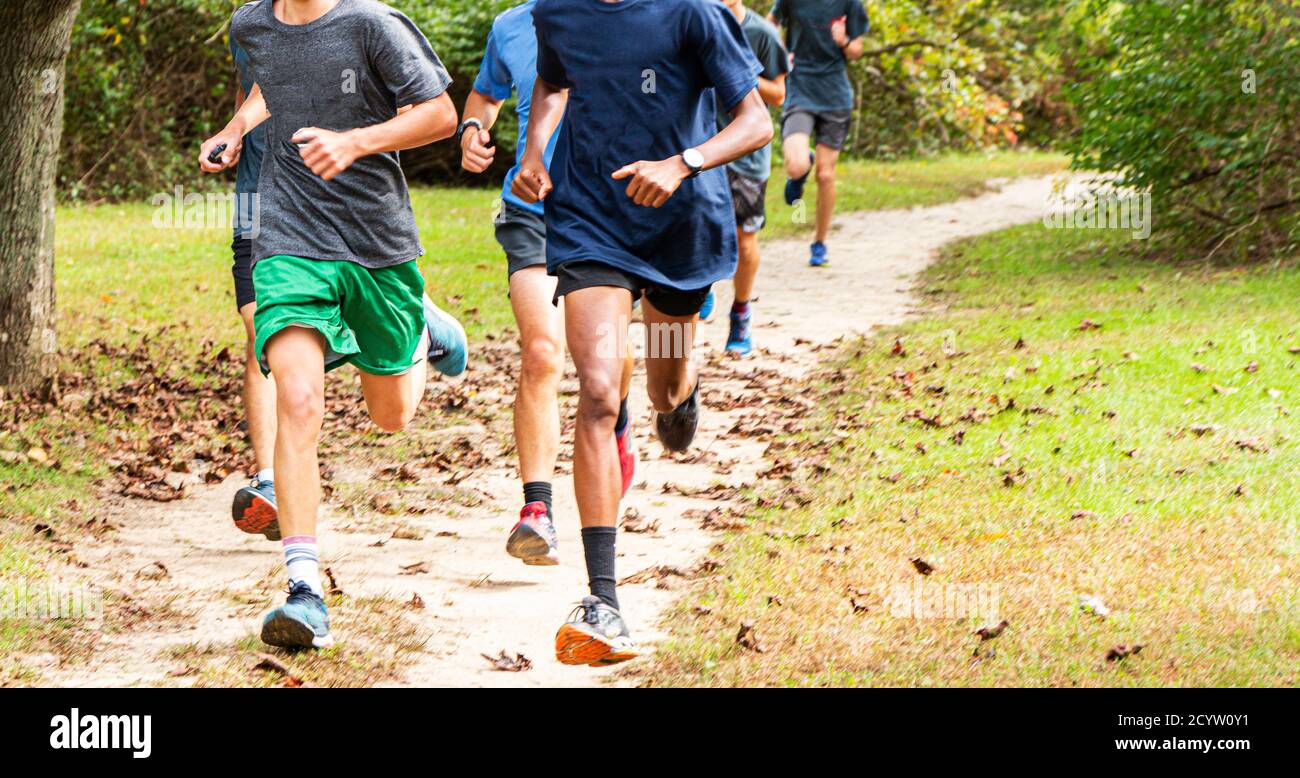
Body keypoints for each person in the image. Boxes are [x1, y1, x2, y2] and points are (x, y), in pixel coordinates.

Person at [198, 0, 468, 649]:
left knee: (391, 415)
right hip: (288, 237)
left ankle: (423, 334)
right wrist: (238, 128)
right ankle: (303, 589)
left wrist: (355, 141)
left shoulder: (373, 24)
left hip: (376, 241)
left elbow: (440, 114)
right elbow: (272, 81)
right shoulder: (250, 25)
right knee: (298, 398)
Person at [515, 0, 772, 666]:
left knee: (661, 389)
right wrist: (537, 149)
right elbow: (552, 81)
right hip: (590, 219)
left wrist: (682, 163)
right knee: (599, 393)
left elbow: (756, 122)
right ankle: (605, 601)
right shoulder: (557, 11)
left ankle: (679, 396)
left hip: (678, 223)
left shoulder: (692, 13)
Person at [458, 1, 637, 567]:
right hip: (529, 209)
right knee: (541, 350)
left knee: (606, 365)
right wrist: (472, 129)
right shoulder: (511, 25)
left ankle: (619, 416)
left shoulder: (631, 17)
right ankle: (537, 511)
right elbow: (487, 94)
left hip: (607, 214)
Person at [225, 38, 280, 541]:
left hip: (321, 204)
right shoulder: (244, 21)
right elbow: (249, 90)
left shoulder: (339, 15)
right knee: (263, 335)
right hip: (253, 205)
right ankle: (270, 481)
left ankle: (419, 322)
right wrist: (236, 130)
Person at [770, 0, 868, 267]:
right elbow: (770, 24)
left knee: (826, 174)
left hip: (835, 96)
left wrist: (844, 41)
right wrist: (780, 52)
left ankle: (820, 242)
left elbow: (857, 51)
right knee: (796, 164)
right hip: (800, 90)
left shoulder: (850, 3)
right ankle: (799, 175)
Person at [716, 0, 788, 355]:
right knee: (694, 230)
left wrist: (738, 72)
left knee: (745, 239)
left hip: (747, 154)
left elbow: (778, 93)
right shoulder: (693, 21)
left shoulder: (763, 33)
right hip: (700, 148)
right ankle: (699, 290)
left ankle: (741, 311)